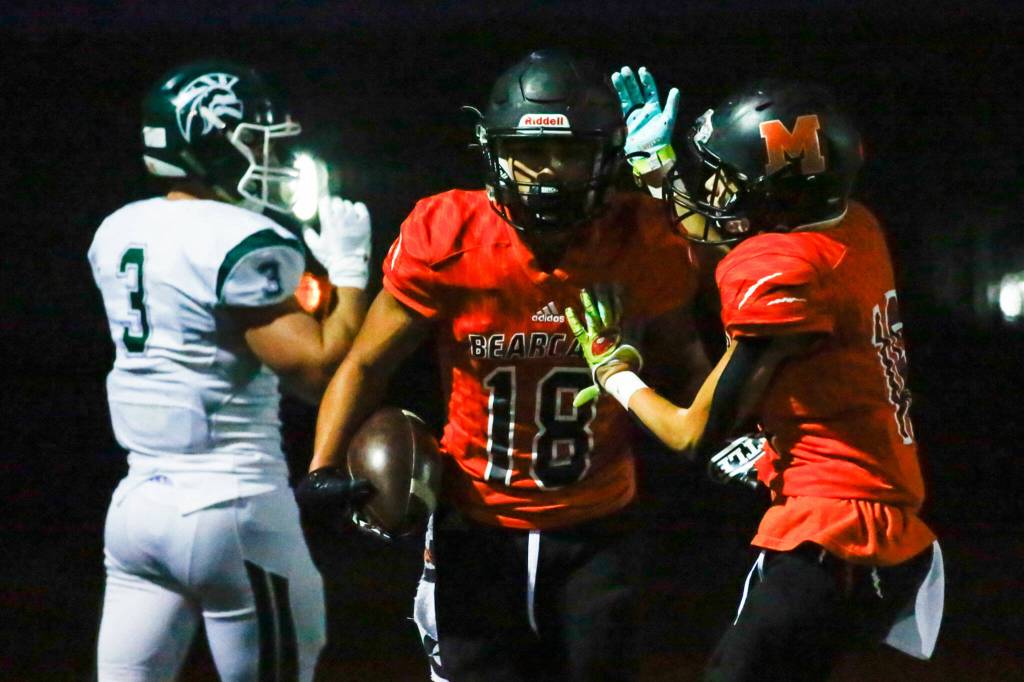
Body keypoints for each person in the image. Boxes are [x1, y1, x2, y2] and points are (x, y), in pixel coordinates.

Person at [301, 50, 710, 681]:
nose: (548, 174)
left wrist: (734, 441)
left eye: (570, 152)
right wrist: (323, 465)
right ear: (494, 153)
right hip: (478, 523)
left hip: (598, 526)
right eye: (529, 151)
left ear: (604, 156)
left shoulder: (641, 238)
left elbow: (686, 360)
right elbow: (365, 363)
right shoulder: (451, 234)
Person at [568, 71, 944, 681]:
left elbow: (692, 434)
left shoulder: (784, 270)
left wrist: (614, 372)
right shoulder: (852, 227)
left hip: (829, 533)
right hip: (875, 520)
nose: (714, 190)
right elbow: (739, 253)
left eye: (729, 180)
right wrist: (661, 173)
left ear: (779, 198)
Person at [88, 60, 370, 681]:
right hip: (231, 506)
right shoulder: (243, 237)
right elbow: (318, 372)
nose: (270, 154)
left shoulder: (118, 230)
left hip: (137, 507)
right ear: (211, 139)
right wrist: (350, 269)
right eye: (257, 138)